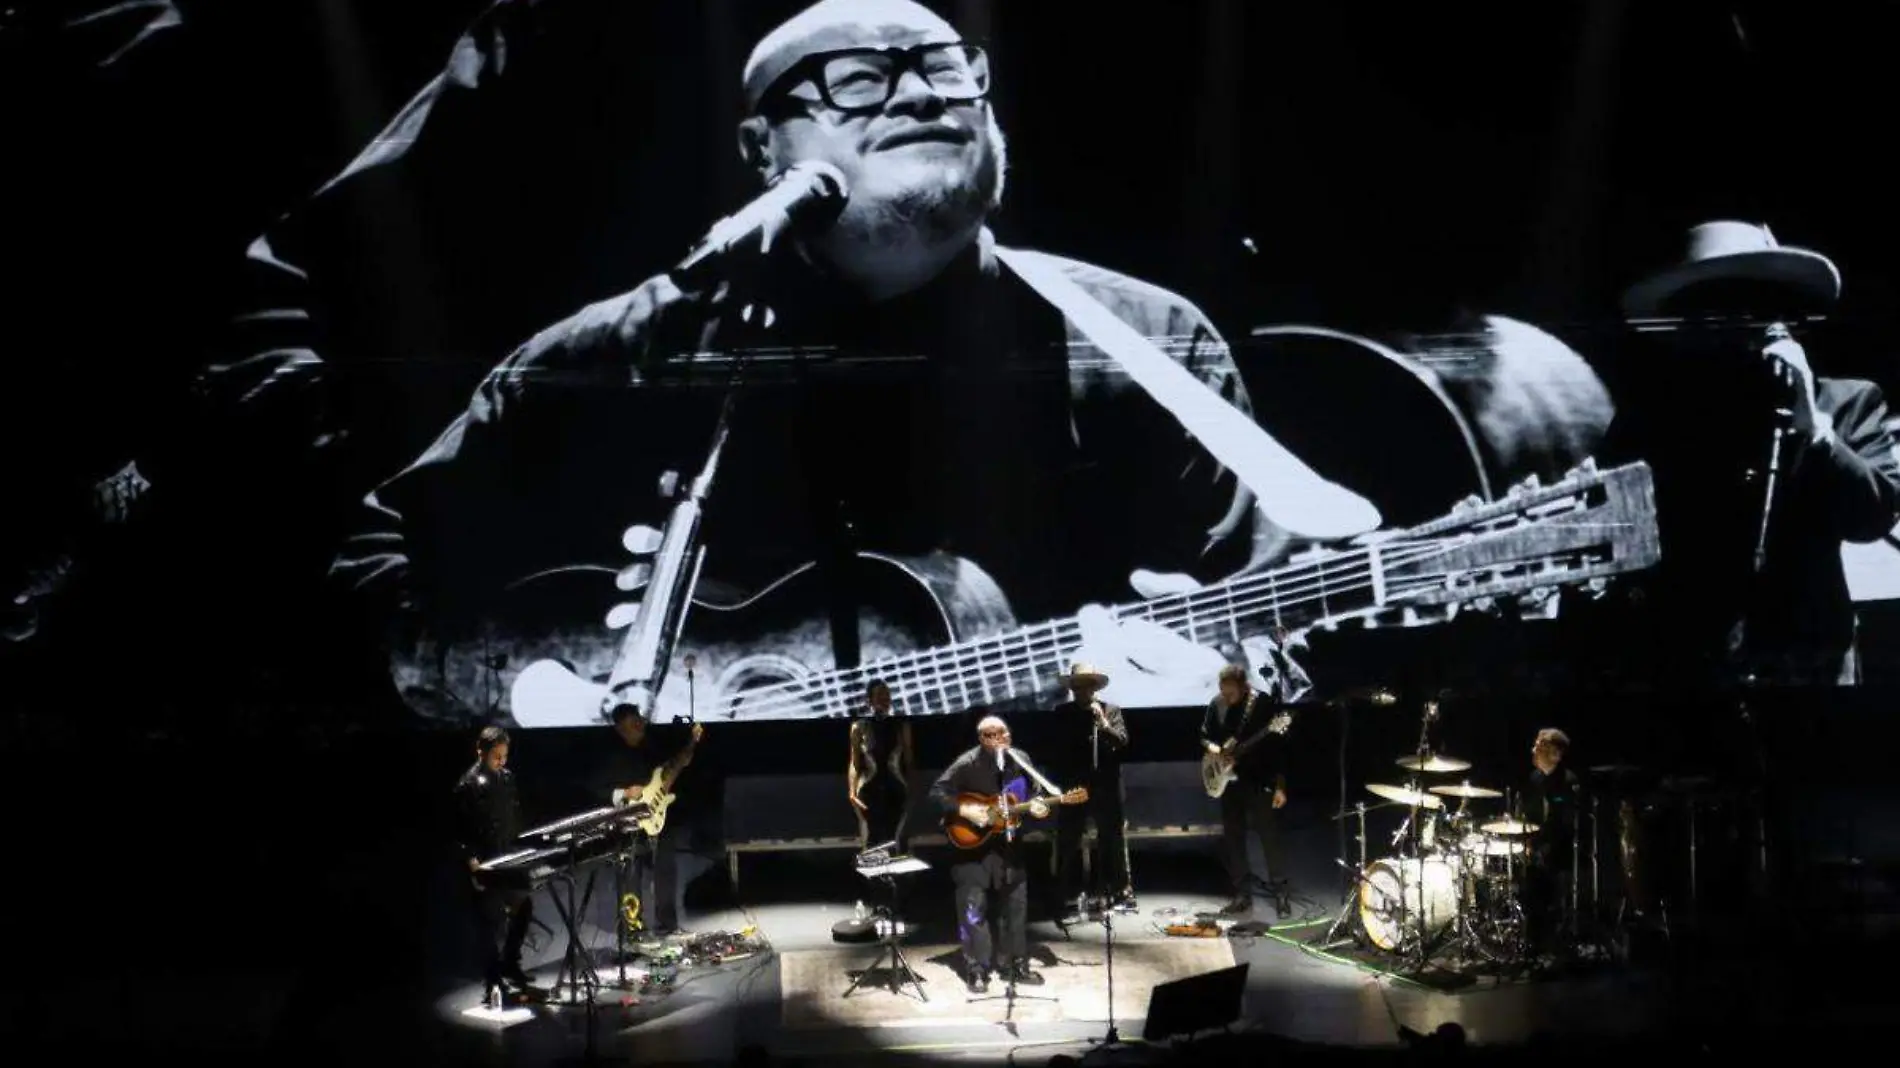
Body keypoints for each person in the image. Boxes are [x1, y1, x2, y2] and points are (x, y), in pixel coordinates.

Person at [329, 0, 1320, 726]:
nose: (924, 93)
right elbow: (380, 573)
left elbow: (1283, 621)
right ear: (763, 149)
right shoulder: (623, 354)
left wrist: (1227, 671)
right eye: (856, 79)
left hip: (1045, 865)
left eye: (946, 66)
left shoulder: (1143, 341)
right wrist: (535, 692)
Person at [1604, 220, 1900, 686]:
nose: (1739, 328)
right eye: (1715, 312)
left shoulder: (1847, 403)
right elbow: (1611, 537)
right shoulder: (1653, 418)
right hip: (1686, 666)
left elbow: (1873, 517)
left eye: (1755, 308)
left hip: (1809, 668)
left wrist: (1814, 430)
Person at [930, 714, 1050, 993]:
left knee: (1015, 904)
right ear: (981, 739)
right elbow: (936, 793)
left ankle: (1015, 963)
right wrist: (964, 809)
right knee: (973, 907)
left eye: (1003, 733)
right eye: (991, 735)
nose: (999, 739)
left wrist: (1040, 806)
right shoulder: (967, 763)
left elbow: (1036, 793)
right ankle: (977, 968)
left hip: (1009, 843)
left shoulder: (1021, 759)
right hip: (972, 847)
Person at [453, 725, 538, 1004]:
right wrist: (472, 863)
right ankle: (492, 978)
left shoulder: (507, 778)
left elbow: (514, 816)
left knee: (523, 907)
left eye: (504, 755)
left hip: (509, 855)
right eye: (496, 756)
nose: (502, 761)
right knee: (489, 922)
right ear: (482, 752)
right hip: (486, 859)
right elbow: (460, 830)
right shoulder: (468, 785)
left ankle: (510, 962)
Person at [1201, 663, 1293, 917]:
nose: (1226, 698)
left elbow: (1278, 750)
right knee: (1233, 838)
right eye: (1223, 692)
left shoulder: (1262, 705)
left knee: (1269, 837)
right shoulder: (1217, 704)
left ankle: (1281, 892)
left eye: (1231, 694)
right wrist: (1214, 749)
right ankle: (1242, 894)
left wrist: (1280, 787)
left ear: (1244, 687)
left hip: (1258, 779)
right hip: (1229, 782)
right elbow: (1204, 736)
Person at [600, 706, 701, 937]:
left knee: (666, 871)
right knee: (631, 878)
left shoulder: (653, 747)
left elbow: (668, 771)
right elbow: (596, 788)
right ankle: (633, 929)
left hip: (659, 817)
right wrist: (624, 793)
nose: (640, 725)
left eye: (640, 721)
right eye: (633, 723)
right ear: (620, 727)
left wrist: (690, 745)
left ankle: (668, 924)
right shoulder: (609, 755)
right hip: (629, 824)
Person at [1048, 661, 1133, 923]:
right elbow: (1055, 749)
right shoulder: (1062, 713)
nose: (1080, 690)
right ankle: (1066, 895)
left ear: (1094, 688)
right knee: (1068, 841)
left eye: (1085, 686)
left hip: (1105, 786)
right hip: (1075, 787)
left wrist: (1103, 724)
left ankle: (1117, 891)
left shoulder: (1111, 711)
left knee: (1112, 840)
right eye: (1076, 686)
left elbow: (1122, 743)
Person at [1521, 727, 1581, 956]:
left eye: (1540, 746)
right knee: (1530, 891)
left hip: (1560, 853)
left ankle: (1554, 946)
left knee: (1550, 895)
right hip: (1537, 849)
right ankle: (1533, 944)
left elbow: (1565, 824)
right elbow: (1530, 817)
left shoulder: (1567, 781)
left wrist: (1544, 846)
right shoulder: (1534, 779)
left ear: (1555, 753)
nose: (1534, 750)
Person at [848, 679, 915, 852]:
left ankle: (896, 873)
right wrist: (852, 791)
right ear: (869, 700)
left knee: (895, 836)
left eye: (887, 694)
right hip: (869, 788)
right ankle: (874, 874)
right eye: (879, 695)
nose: (884, 698)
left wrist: (913, 789)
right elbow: (855, 763)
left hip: (895, 787)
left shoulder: (901, 726)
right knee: (872, 837)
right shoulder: (859, 727)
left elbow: (908, 761)